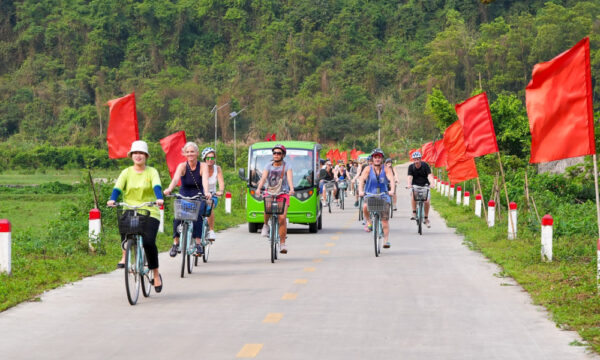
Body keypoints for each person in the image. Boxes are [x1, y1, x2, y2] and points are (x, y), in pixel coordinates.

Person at [107, 140, 164, 292]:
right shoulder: (126, 172)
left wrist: (159, 198)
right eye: (135, 153)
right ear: (131, 155)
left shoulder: (152, 172)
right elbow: (117, 188)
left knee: (148, 242)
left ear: (146, 156)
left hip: (150, 211)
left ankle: (156, 274)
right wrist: (113, 199)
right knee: (124, 225)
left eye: (141, 153)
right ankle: (125, 255)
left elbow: (157, 186)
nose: (138, 156)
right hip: (131, 209)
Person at [163, 142, 209, 257]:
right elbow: (175, 180)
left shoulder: (203, 166)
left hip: (198, 195)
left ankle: (198, 243)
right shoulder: (182, 166)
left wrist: (207, 192)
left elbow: (205, 181)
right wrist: (169, 189)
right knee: (178, 217)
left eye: (192, 151)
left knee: (198, 216)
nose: (190, 154)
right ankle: (175, 243)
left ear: (197, 153)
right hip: (184, 194)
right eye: (187, 152)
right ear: (184, 153)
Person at [256, 144, 295, 254]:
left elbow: (289, 178)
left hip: (283, 193)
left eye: (279, 153)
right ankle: (265, 225)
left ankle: (282, 244)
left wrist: (291, 189)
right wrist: (259, 188)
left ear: (283, 155)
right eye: (274, 153)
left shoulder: (287, 166)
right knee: (267, 208)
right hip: (270, 191)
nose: (276, 155)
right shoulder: (268, 166)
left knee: (282, 218)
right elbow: (263, 178)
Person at [358, 148, 395, 248]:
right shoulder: (368, 169)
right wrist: (361, 191)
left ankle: (386, 241)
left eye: (379, 157)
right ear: (372, 159)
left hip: (383, 195)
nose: (377, 159)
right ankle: (369, 222)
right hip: (370, 194)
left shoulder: (386, 169)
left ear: (382, 159)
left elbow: (391, 179)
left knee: (384, 221)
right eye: (375, 157)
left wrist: (392, 191)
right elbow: (361, 180)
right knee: (365, 206)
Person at [406, 151, 435, 227]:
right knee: (413, 195)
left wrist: (432, 183)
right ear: (413, 160)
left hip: (425, 185)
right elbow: (409, 177)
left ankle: (426, 218)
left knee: (426, 201)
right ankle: (414, 212)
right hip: (415, 185)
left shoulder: (425, 165)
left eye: (418, 159)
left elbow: (429, 175)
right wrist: (409, 184)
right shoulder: (411, 167)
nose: (416, 161)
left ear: (420, 159)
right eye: (415, 159)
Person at [202, 147, 225, 241]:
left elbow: (221, 181)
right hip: (201, 194)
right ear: (204, 159)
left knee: (209, 205)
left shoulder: (217, 168)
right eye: (208, 158)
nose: (210, 160)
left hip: (213, 194)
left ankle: (211, 231)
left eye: (212, 158)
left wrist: (221, 191)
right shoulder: (201, 167)